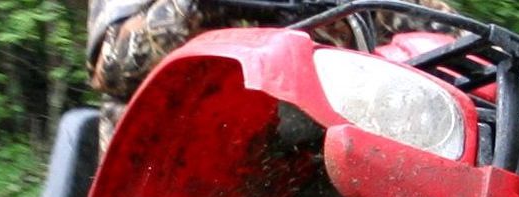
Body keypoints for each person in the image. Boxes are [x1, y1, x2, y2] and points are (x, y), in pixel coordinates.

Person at [87, 0, 455, 146]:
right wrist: (197, 5)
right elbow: (113, 67)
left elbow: (445, 36)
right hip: (178, 164)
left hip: (326, 149)